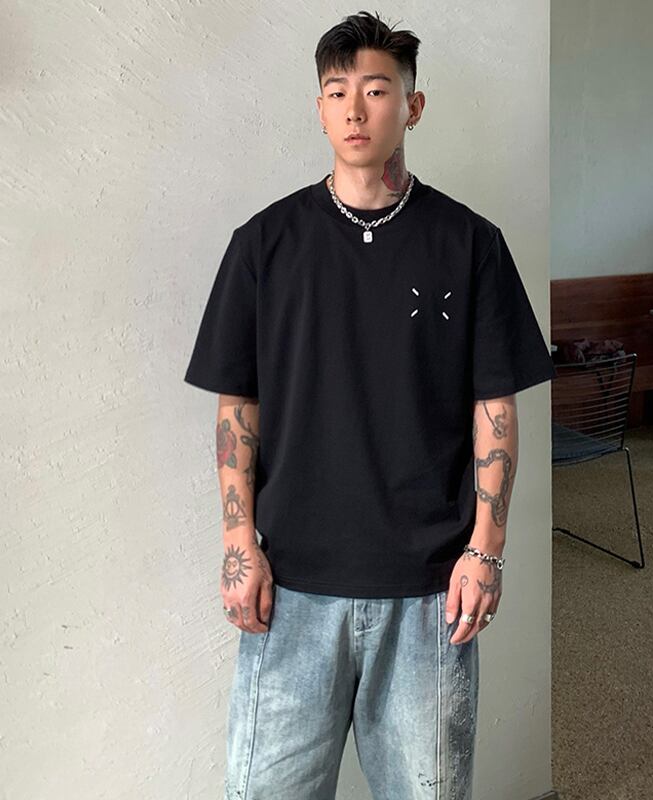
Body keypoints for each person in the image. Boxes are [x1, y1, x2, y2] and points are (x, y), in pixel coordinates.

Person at [184, 10, 556, 800]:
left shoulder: (470, 244)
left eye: (377, 90)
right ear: (319, 108)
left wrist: (486, 550)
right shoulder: (264, 245)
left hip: (429, 593)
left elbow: (495, 406)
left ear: (412, 107)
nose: (355, 109)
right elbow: (236, 406)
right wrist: (238, 541)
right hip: (290, 590)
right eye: (337, 91)